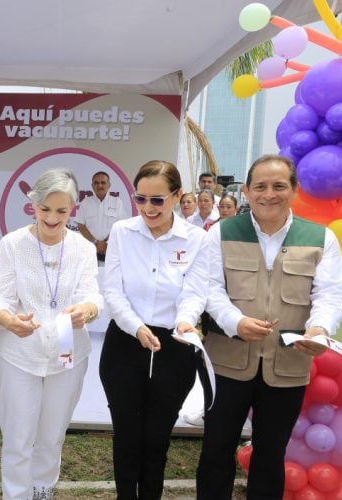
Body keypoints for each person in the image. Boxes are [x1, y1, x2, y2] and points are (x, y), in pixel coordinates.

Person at [177, 154, 342, 499]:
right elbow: (209, 287)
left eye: (279, 186)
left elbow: (332, 293)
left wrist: (319, 328)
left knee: (271, 455)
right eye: (260, 186)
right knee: (216, 450)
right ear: (246, 191)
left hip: (287, 366)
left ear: (294, 190)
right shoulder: (222, 233)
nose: (269, 194)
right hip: (226, 365)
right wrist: (235, 322)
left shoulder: (320, 238)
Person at [0, 168, 103, 500]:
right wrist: (8, 319)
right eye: (44, 209)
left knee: (52, 436)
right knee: (18, 437)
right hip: (18, 355)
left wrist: (86, 311)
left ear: (73, 208)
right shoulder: (13, 244)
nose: (52, 218)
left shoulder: (82, 248)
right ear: (33, 205)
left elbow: (92, 295)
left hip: (68, 356)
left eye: (61, 211)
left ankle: (42, 493)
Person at [100, 160, 207, 499]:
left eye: (157, 200)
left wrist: (185, 320)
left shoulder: (197, 239)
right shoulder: (122, 232)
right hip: (125, 343)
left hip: (174, 346)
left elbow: (195, 292)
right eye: (140, 199)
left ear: (177, 196)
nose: (148, 208)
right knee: (126, 435)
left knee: (157, 437)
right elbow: (113, 291)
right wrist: (136, 327)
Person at [75, 171, 127, 264]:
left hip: (110, 250)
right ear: (92, 186)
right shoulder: (85, 202)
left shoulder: (117, 202)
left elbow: (121, 226)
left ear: (109, 185)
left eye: (103, 182)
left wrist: (106, 243)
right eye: (96, 183)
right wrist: (95, 242)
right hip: (89, 251)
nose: (100, 186)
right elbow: (81, 225)